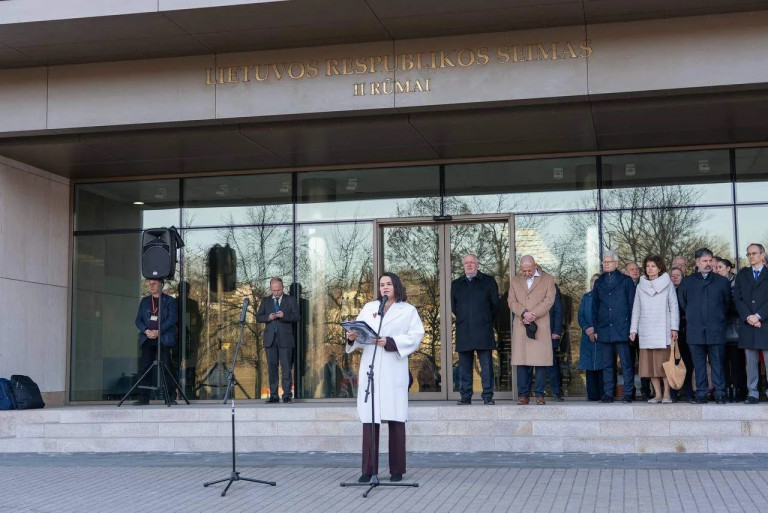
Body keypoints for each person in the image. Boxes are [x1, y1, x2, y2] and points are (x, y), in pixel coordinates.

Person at [345, 272, 424, 483]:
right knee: (370, 419)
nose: (385, 288)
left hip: (393, 368)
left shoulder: (408, 310)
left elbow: (416, 336)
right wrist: (353, 337)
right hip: (371, 368)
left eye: (389, 284)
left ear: (396, 286)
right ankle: (368, 470)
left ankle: (396, 470)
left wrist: (389, 341)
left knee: (396, 419)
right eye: (382, 285)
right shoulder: (370, 308)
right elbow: (361, 335)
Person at [677, 248, 730, 404]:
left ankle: (720, 393)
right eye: (705, 261)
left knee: (717, 363)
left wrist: (717, 317)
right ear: (697, 262)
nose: (708, 264)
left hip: (716, 329)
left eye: (710, 261)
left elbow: (726, 304)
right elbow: (683, 304)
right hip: (695, 330)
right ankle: (701, 393)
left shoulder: (722, 281)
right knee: (698, 364)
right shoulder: (687, 282)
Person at [451, 253, 500, 405]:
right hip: (464, 330)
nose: (469, 265)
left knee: (486, 366)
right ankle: (465, 397)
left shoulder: (489, 281)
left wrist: (485, 319)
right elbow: (454, 307)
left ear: (477, 264)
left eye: (472, 262)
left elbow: (495, 306)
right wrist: (465, 319)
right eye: (466, 263)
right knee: (464, 367)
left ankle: (487, 397)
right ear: (463, 265)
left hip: (483, 329)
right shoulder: (456, 284)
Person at [629, 255, 679, 403]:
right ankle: (657, 394)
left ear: (659, 268)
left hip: (663, 331)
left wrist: (674, 328)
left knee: (665, 366)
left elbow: (674, 307)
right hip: (646, 330)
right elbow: (636, 309)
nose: (650, 269)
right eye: (648, 266)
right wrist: (633, 330)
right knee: (650, 367)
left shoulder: (668, 284)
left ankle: (666, 395)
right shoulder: (640, 286)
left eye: (653, 266)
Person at [508, 255, 556, 405]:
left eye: (529, 270)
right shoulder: (515, 280)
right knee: (522, 361)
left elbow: (549, 300)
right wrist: (523, 313)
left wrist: (533, 314)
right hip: (521, 324)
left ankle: (540, 394)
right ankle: (523, 394)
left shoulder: (548, 279)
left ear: (535, 265)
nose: (526, 273)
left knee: (540, 361)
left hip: (539, 324)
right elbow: (511, 301)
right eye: (524, 270)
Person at [591, 250, 636, 403]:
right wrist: (596, 329)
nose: (606, 264)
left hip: (622, 328)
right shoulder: (599, 282)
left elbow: (632, 306)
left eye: (609, 261)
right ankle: (608, 393)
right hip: (604, 328)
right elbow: (594, 307)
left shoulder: (626, 281)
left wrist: (632, 328)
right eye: (604, 261)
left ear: (616, 264)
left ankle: (628, 392)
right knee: (607, 364)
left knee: (626, 363)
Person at [133, 279, 178, 406]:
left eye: (154, 284)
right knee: (145, 367)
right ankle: (143, 398)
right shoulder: (145, 301)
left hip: (163, 338)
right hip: (148, 338)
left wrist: (158, 331)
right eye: (150, 283)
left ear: (161, 285)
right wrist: (146, 330)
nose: (151, 286)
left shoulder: (169, 301)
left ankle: (169, 397)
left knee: (166, 367)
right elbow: (138, 320)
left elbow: (172, 319)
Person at [734, 244, 768, 404]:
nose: (751, 256)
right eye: (748, 254)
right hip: (748, 324)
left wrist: (759, 316)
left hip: (765, 324)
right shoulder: (742, 275)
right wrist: (748, 316)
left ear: (762, 255)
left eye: (754, 253)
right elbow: (737, 298)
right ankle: (752, 393)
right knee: (751, 362)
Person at [257, 277, 300, 404]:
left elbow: (297, 316)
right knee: (272, 368)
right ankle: (274, 395)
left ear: (283, 288)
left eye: (278, 290)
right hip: (270, 339)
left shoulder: (290, 300)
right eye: (274, 290)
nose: (276, 292)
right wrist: (268, 317)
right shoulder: (266, 301)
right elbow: (258, 317)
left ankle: (287, 395)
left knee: (286, 368)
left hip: (285, 339)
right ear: (271, 289)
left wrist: (284, 315)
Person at [716, 257, 746, 402]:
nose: (716, 270)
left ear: (728, 268)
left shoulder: (737, 282)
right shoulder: (714, 282)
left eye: (720, 267)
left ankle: (740, 390)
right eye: (715, 267)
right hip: (719, 329)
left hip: (735, 327)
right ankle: (727, 389)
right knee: (722, 361)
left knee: (737, 361)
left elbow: (738, 304)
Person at [625, 261, 651, 401]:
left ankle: (646, 390)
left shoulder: (644, 285)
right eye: (631, 269)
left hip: (644, 329)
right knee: (628, 362)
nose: (635, 271)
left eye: (637, 269)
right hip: (627, 330)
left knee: (645, 362)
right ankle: (630, 391)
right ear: (626, 272)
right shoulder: (622, 286)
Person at [668, 267, 695, 402]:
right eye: (672, 275)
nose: (675, 277)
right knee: (673, 362)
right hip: (671, 333)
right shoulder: (666, 291)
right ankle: (673, 392)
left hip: (686, 331)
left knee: (688, 363)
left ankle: (688, 391)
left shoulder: (688, 290)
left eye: (677, 275)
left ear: (682, 276)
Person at [578, 274, 603, 401]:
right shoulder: (586, 297)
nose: (595, 283)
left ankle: (603, 394)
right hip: (587, 336)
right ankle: (592, 394)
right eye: (593, 281)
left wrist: (597, 330)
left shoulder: (605, 298)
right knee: (589, 366)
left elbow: (605, 316)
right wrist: (587, 329)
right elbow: (580, 316)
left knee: (601, 365)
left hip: (601, 336)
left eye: (597, 281)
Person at [546, 284, 565, 401]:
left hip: (550, 333)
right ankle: (526, 394)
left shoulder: (552, 288)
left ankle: (556, 392)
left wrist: (557, 331)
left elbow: (558, 311)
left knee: (551, 364)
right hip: (532, 333)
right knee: (529, 365)